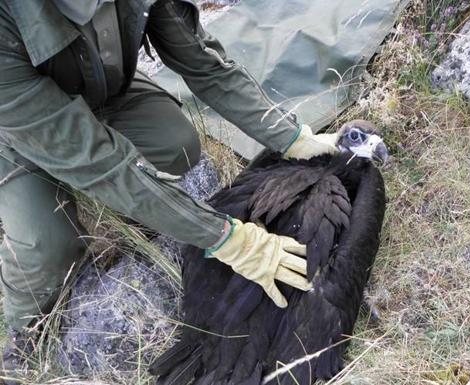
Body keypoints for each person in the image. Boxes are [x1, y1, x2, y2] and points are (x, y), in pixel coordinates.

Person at [0, 0, 337, 380]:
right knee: (44, 246)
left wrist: (290, 137)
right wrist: (229, 239)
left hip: (105, 92)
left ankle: (147, 210)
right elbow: (102, 164)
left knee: (177, 145)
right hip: (19, 134)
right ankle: (25, 338)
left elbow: (205, 65)